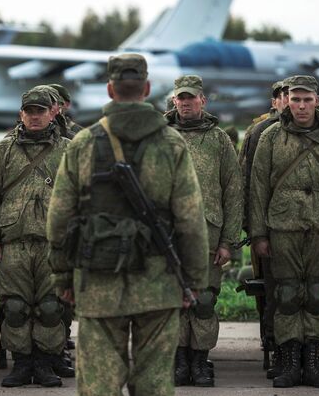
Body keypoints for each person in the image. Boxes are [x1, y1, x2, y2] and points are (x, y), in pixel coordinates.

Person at [46, 53, 209, 396]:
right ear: (148, 88)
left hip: (97, 279)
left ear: (109, 89)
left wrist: (63, 276)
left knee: (98, 384)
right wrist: (191, 281)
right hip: (159, 281)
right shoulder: (171, 143)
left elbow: (59, 216)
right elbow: (191, 220)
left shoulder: (83, 143)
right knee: (153, 383)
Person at [249, 75, 319, 389]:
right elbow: (258, 189)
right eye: (295, 99)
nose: (301, 106)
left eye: (307, 99)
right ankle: (290, 363)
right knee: (287, 296)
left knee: (317, 296)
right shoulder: (270, 137)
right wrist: (259, 235)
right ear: (287, 101)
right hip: (283, 229)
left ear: (317, 101)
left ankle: (312, 362)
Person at [0, 88, 70, 388]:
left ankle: (44, 363)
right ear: (21, 114)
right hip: (13, 244)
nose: (34, 116)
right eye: (29, 111)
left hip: (53, 245)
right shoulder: (3, 151)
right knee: (15, 309)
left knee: (51, 307)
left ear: (52, 113)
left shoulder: (68, 150)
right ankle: (21, 364)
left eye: (40, 111)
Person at [166, 75, 244, 387]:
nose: (186, 103)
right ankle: (178, 361)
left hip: (209, 234)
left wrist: (229, 241)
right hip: (168, 235)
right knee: (172, 301)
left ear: (203, 101)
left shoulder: (219, 139)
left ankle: (200, 362)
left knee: (203, 302)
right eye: (180, 98)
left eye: (191, 98)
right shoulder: (159, 136)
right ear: (174, 101)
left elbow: (233, 192)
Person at [238, 79, 287, 377]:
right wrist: (252, 228)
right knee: (270, 292)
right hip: (266, 225)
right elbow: (247, 181)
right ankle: (272, 343)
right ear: (274, 102)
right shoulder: (259, 131)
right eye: (281, 96)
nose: (286, 101)